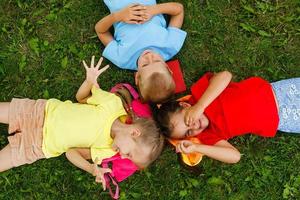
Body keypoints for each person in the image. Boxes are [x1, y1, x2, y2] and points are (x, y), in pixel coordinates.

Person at [0, 56, 164, 190]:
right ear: (134, 132)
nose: (121, 156)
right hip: (38, 113)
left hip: (38, 145)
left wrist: (91, 168)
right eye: (128, 154)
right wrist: (89, 81)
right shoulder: (113, 104)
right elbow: (81, 98)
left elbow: (71, 152)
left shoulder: (107, 150)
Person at [154, 71, 300, 164]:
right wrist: (197, 147)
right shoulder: (208, 136)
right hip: (283, 118)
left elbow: (225, 76)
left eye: (187, 120)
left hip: (278, 91)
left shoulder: (200, 95)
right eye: (187, 133)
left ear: (186, 106)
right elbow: (234, 156)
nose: (194, 127)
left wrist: (201, 105)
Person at [95, 0, 186, 103]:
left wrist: (118, 16)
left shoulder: (122, 58)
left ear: (137, 77)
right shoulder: (171, 45)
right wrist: (153, 10)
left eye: (145, 65)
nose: (149, 56)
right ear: (168, 68)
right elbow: (178, 10)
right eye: (157, 61)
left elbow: (100, 31)